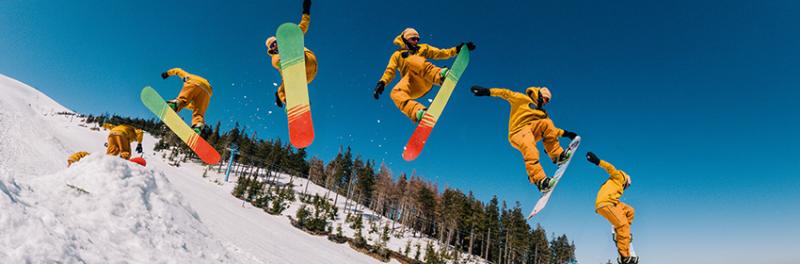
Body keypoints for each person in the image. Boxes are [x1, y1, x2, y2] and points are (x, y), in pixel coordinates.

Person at [470, 85, 577, 192]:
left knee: (547, 123)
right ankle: (539, 180)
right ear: (540, 95)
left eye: (548, 101)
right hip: (517, 132)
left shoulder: (542, 113)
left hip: (531, 131)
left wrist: (567, 133)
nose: (546, 102)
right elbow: (506, 93)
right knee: (530, 147)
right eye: (546, 99)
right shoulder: (522, 99)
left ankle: (557, 155)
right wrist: (487, 91)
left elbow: (552, 130)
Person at [373, 27, 475, 123]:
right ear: (406, 40)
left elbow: (440, 53)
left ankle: (440, 76)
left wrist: (457, 50)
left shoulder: (423, 48)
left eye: (417, 39)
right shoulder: (397, 55)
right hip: (412, 85)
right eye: (413, 39)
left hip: (427, 78)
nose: (416, 41)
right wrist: (382, 83)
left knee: (411, 59)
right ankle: (418, 113)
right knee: (394, 93)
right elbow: (390, 70)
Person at [586, 152, 639, 264]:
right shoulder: (619, 177)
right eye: (627, 186)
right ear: (626, 180)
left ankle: (622, 233)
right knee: (623, 225)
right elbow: (610, 168)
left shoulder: (617, 185)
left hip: (613, 203)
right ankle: (624, 257)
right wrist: (597, 161)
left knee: (630, 211)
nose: (626, 188)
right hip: (605, 203)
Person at [266, 0, 317, 108]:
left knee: (289, 44)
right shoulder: (275, 57)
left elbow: (302, 27)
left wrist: (306, 11)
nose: (274, 46)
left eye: (275, 43)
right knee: (281, 89)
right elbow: (277, 64)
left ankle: (294, 58)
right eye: (272, 46)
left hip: (307, 60)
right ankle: (294, 104)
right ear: (270, 49)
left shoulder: (288, 42)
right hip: (306, 76)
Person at [161, 68, 213, 134]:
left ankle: (176, 103)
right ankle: (198, 125)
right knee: (198, 113)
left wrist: (167, 73)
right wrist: (185, 105)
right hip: (208, 91)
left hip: (193, 82)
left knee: (183, 99)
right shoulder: (206, 83)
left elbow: (177, 70)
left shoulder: (188, 75)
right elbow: (193, 107)